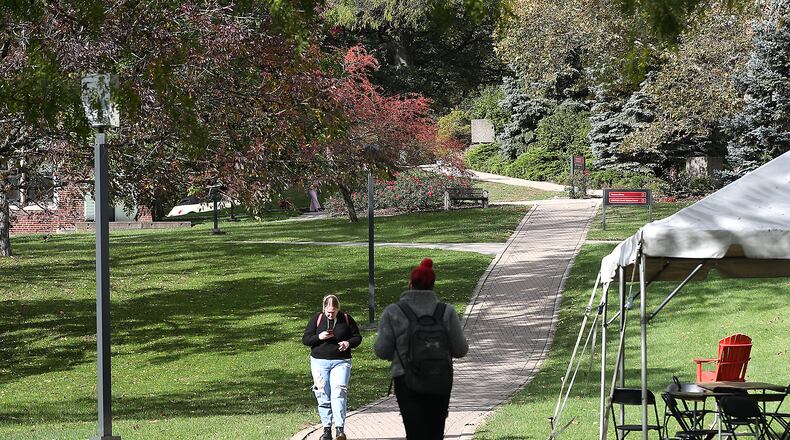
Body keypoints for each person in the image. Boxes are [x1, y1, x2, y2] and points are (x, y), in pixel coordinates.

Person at [374, 258, 469, 439]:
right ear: (433, 285)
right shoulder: (446, 311)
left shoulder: (393, 312)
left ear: (410, 284)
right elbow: (460, 350)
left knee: (415, 432)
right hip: (440, 379)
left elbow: (382, 350)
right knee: (435, 432)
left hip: (406, 380)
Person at [303, 294, 362, 440]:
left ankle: (340, 429)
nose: (330, 315)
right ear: (324, 308)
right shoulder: (317, 319)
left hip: (341, 362)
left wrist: (348, 343)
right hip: (319, 362)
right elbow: (306, 339)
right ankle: (326, 430)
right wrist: (319, 337)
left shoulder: (346, 319)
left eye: (333, 312)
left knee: (339, 392)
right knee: (322, 394)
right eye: (328, 312)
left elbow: (357, 337)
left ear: (337, 309)